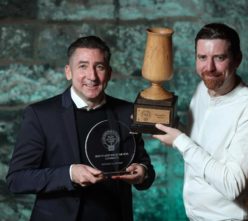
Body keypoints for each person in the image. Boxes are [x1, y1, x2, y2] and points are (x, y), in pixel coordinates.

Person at [6, 36, 155, 221]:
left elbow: (145, 167)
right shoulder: (40, 115)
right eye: (82, 66)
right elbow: (17, 179)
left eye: (99, 67)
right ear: (68, 72)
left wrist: (142, 173)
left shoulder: (127, 112)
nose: (92, 76)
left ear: (108, 73)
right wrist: (69, 174)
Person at [153, 23, 248, 220]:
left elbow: (232, 185)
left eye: (220, 57)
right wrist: (170, 126)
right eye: (202, 57)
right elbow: (200, 145)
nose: (209, 67)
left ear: (237, 60)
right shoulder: (202, 89)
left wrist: (179, 140)